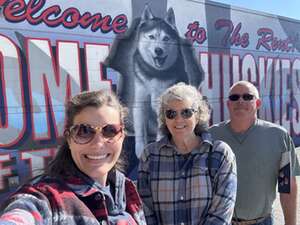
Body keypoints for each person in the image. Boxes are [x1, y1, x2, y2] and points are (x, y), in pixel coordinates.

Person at [0, 90, 146, 225]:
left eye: (110, 131)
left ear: (122, 137)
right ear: (69, 139)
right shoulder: (49, 198)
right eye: (84, 131)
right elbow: (22, 213)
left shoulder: (127, 191)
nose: (98, 144)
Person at [138, 82, 237, 225]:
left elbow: (221, 214)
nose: (178, 119)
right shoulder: (150, 156)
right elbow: (145, 211)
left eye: (186, 112)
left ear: (198, 115)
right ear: (164, 118)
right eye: (171, 113)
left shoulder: (220, 154)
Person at [209, 80, 300, 225]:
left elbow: (287, 186)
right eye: (234, 97)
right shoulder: (211, 136)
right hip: (220, 221)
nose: (240, 101)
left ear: (257, 103)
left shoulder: (279, 137)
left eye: (247, 97)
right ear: (228, 104)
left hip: (262, 221)